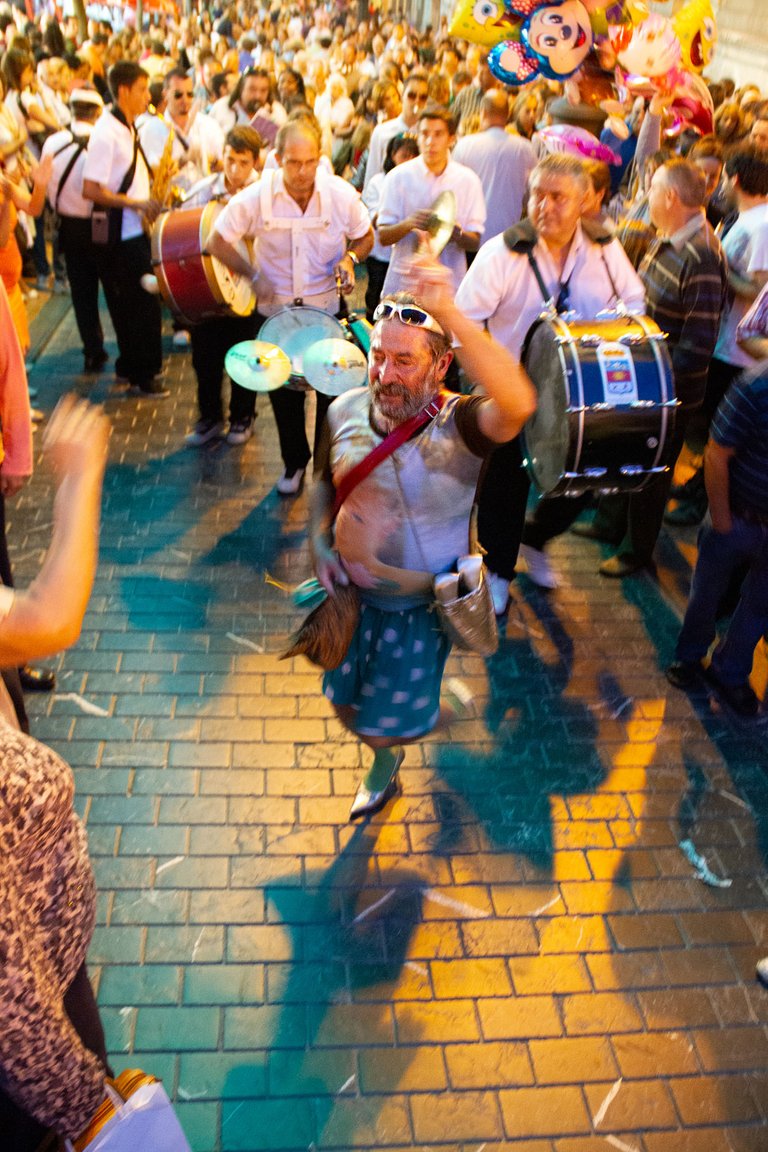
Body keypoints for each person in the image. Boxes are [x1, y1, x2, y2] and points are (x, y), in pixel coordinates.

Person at [310, 254, 536, 819]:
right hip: (350, 604)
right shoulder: (341, 412)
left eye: (404, 362)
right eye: (378, 357)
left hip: (417, 616)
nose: (385, 375)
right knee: (341, 701)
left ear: (440, 368)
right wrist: (319, 546)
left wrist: (451, 313)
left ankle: (387, 766)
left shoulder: (460, 427)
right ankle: (413, 720)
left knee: (383, 727)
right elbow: (323, 484)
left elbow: (518, 404)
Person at [455, 153, 645, 610]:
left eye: (558, 197)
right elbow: (463, 325)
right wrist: (488, 383)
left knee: (582, 482)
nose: (544, 205)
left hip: (578, 394)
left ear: (584, 201)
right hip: (511, 391)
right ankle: (498, 570)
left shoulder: (605, 247)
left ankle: (535, 539)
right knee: (506, 485)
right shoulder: (502, 252)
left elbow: (635, 305)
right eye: (537, 194)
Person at [0, 390, 112, 1152]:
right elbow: (8, 998)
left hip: (51, 971)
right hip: (36, 1055)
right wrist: (88, 1109)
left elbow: (43, 618)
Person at [569, 158, 728, 578]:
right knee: (626, 454)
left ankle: (636, 551)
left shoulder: (702, 254)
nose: (646, 198)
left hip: (669, 391)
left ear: (671, 197)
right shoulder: (671, 238)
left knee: (653, 471)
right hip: (646, 380)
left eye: (653, 189)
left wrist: (664, 393)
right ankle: (609, 524)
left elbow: (698, 341)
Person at [207, 117, 373, 494]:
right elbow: (217, 241)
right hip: (276, 314)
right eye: (294, 163)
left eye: (310, 161)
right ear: (278, 159)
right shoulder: (255, 197)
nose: (303, 171)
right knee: (284, 400)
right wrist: (250, 274)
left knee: (334, 399)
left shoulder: (339, 193)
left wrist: (349, 259)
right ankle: (294, 463)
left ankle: (328, 471)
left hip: (326, 310)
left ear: (320, 158)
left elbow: (366, 235)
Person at [666, 146, 768, 527]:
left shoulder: (761, 225)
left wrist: (717, 269)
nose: (720, 185)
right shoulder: (749, 219)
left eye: (724, 177)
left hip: (738, 349)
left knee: (721, 434)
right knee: (711, 430)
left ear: (736, 178)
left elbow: (760, 288)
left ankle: (706, 503)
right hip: (728, 342)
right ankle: (697, 488)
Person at [665, 364, 767, 717]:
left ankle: (730, 672)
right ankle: (689, 657)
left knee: (758, 609)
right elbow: (716, 453)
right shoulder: (755, 385)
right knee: (706, 592)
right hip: (736, 516)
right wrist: (722, 519)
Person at [82, 60, 167, 398]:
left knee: (139, 301)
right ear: (123, 91)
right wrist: (135, 204)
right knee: (138, 303)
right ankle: (142, 374)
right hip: (121, 234)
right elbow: (91, 189)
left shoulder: (127, 126)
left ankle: (133, 367)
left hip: (136, 229)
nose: (148, 96)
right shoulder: (105, 132)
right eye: (143, 89)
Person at [182, 126, 264, 447]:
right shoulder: (204, 189)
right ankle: (209, 418)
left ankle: (243, 417)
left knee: (245, 355)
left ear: (255, 161)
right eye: (230, 160)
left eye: (243, 162)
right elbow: (184, 226)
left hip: (249, 288)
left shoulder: (265, 193)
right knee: (204, 356)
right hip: (210, 286)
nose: (234, 170)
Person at [377, 104, 485, 297]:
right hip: (404, 285)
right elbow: (383, 236)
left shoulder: (467, 180)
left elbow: (475, 242)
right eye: (425, 134)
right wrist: (409, 224)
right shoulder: (398, 177)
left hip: (449, 287)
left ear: (451, 139)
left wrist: (454, 233)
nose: (430, 141)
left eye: (438, 134)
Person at [41, 87, 108, 374]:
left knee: (82, 292)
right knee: (113, 288)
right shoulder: (103, 141)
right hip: (102, 223)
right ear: (97, 112)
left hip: (69, 227)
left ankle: (92, 350)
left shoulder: (52, 143)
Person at [452, 88, 536, 242]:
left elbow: (452, 194)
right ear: (508, 114)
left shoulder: (464, 146)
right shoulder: (525, 149)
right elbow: (531, 196)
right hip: (509, 239)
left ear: (482, 112)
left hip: (470, 239)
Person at [138, 67, 225, 198]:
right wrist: (182, 161)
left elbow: (224, 165)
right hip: (173, 207)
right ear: (165, 94)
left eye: (190, 94)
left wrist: (211, 161)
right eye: (178, 95)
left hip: (205, 203)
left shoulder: (208, 125)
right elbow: (151, 175)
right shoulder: (151, 129)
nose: (185, 100)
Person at [362, 130, 419, 322]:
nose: (409, 160)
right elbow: (377, 220)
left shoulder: (419, 182)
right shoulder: (379, 182)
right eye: (404, 155)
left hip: (407, 258)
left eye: (413, 155)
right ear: (392, 156)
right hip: (381, 255)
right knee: (377, 300)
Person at [362, 68, 429, 195]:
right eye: (412, 95)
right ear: (402, 95)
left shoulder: (427, 135)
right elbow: (372, 174)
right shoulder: (382, 132)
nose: (417, 102)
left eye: (423, 97)